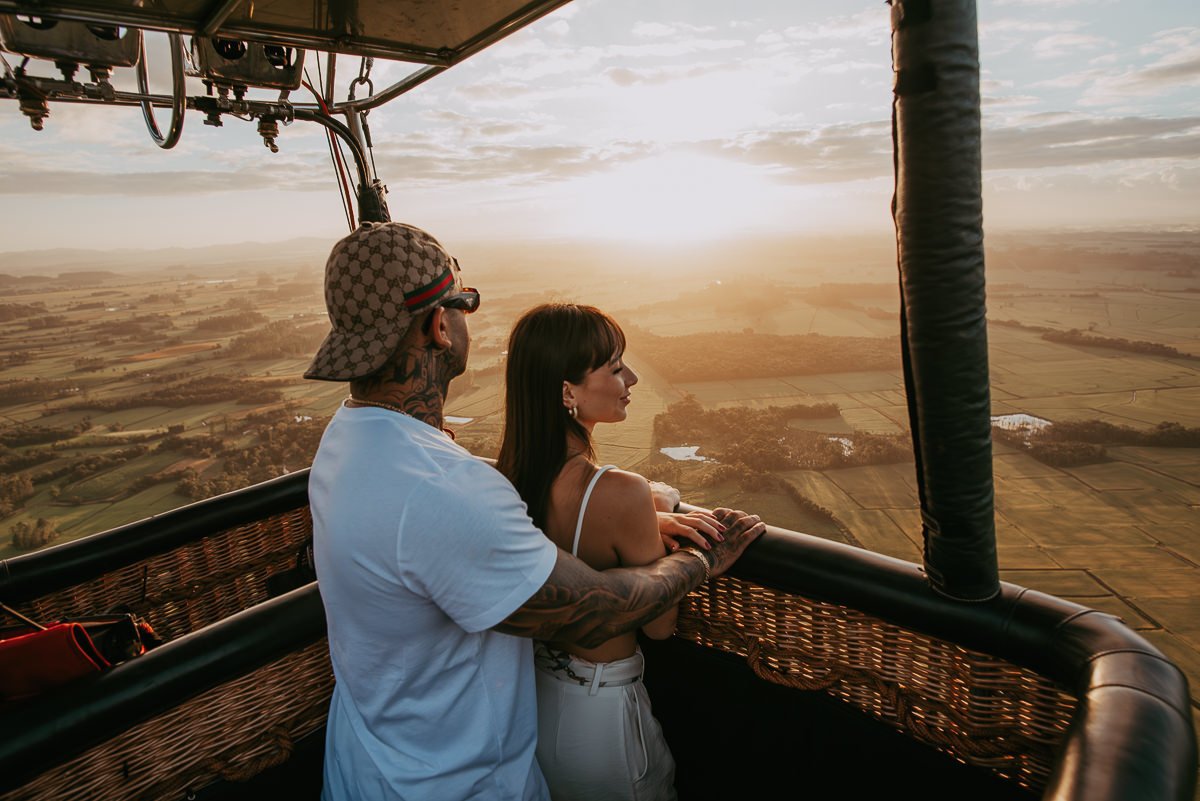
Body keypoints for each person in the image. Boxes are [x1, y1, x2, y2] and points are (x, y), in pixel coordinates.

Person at [303, 221, 765, 801]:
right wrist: (702, 559)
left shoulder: (347, 442)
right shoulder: (442, 489)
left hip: (368, 767)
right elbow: (598, 609)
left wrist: (646, 508)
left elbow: (474, 519)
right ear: (438, 325)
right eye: (463, 303)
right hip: (453, 784)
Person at [497, 303, 728, 800]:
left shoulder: (506, 478)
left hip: (532, 706)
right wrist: (682, 539)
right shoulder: (621, 492)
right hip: (603, 720)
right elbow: (659, 626)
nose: (634, 377)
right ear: (567, 392)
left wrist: (651, 509)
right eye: (615, 366)